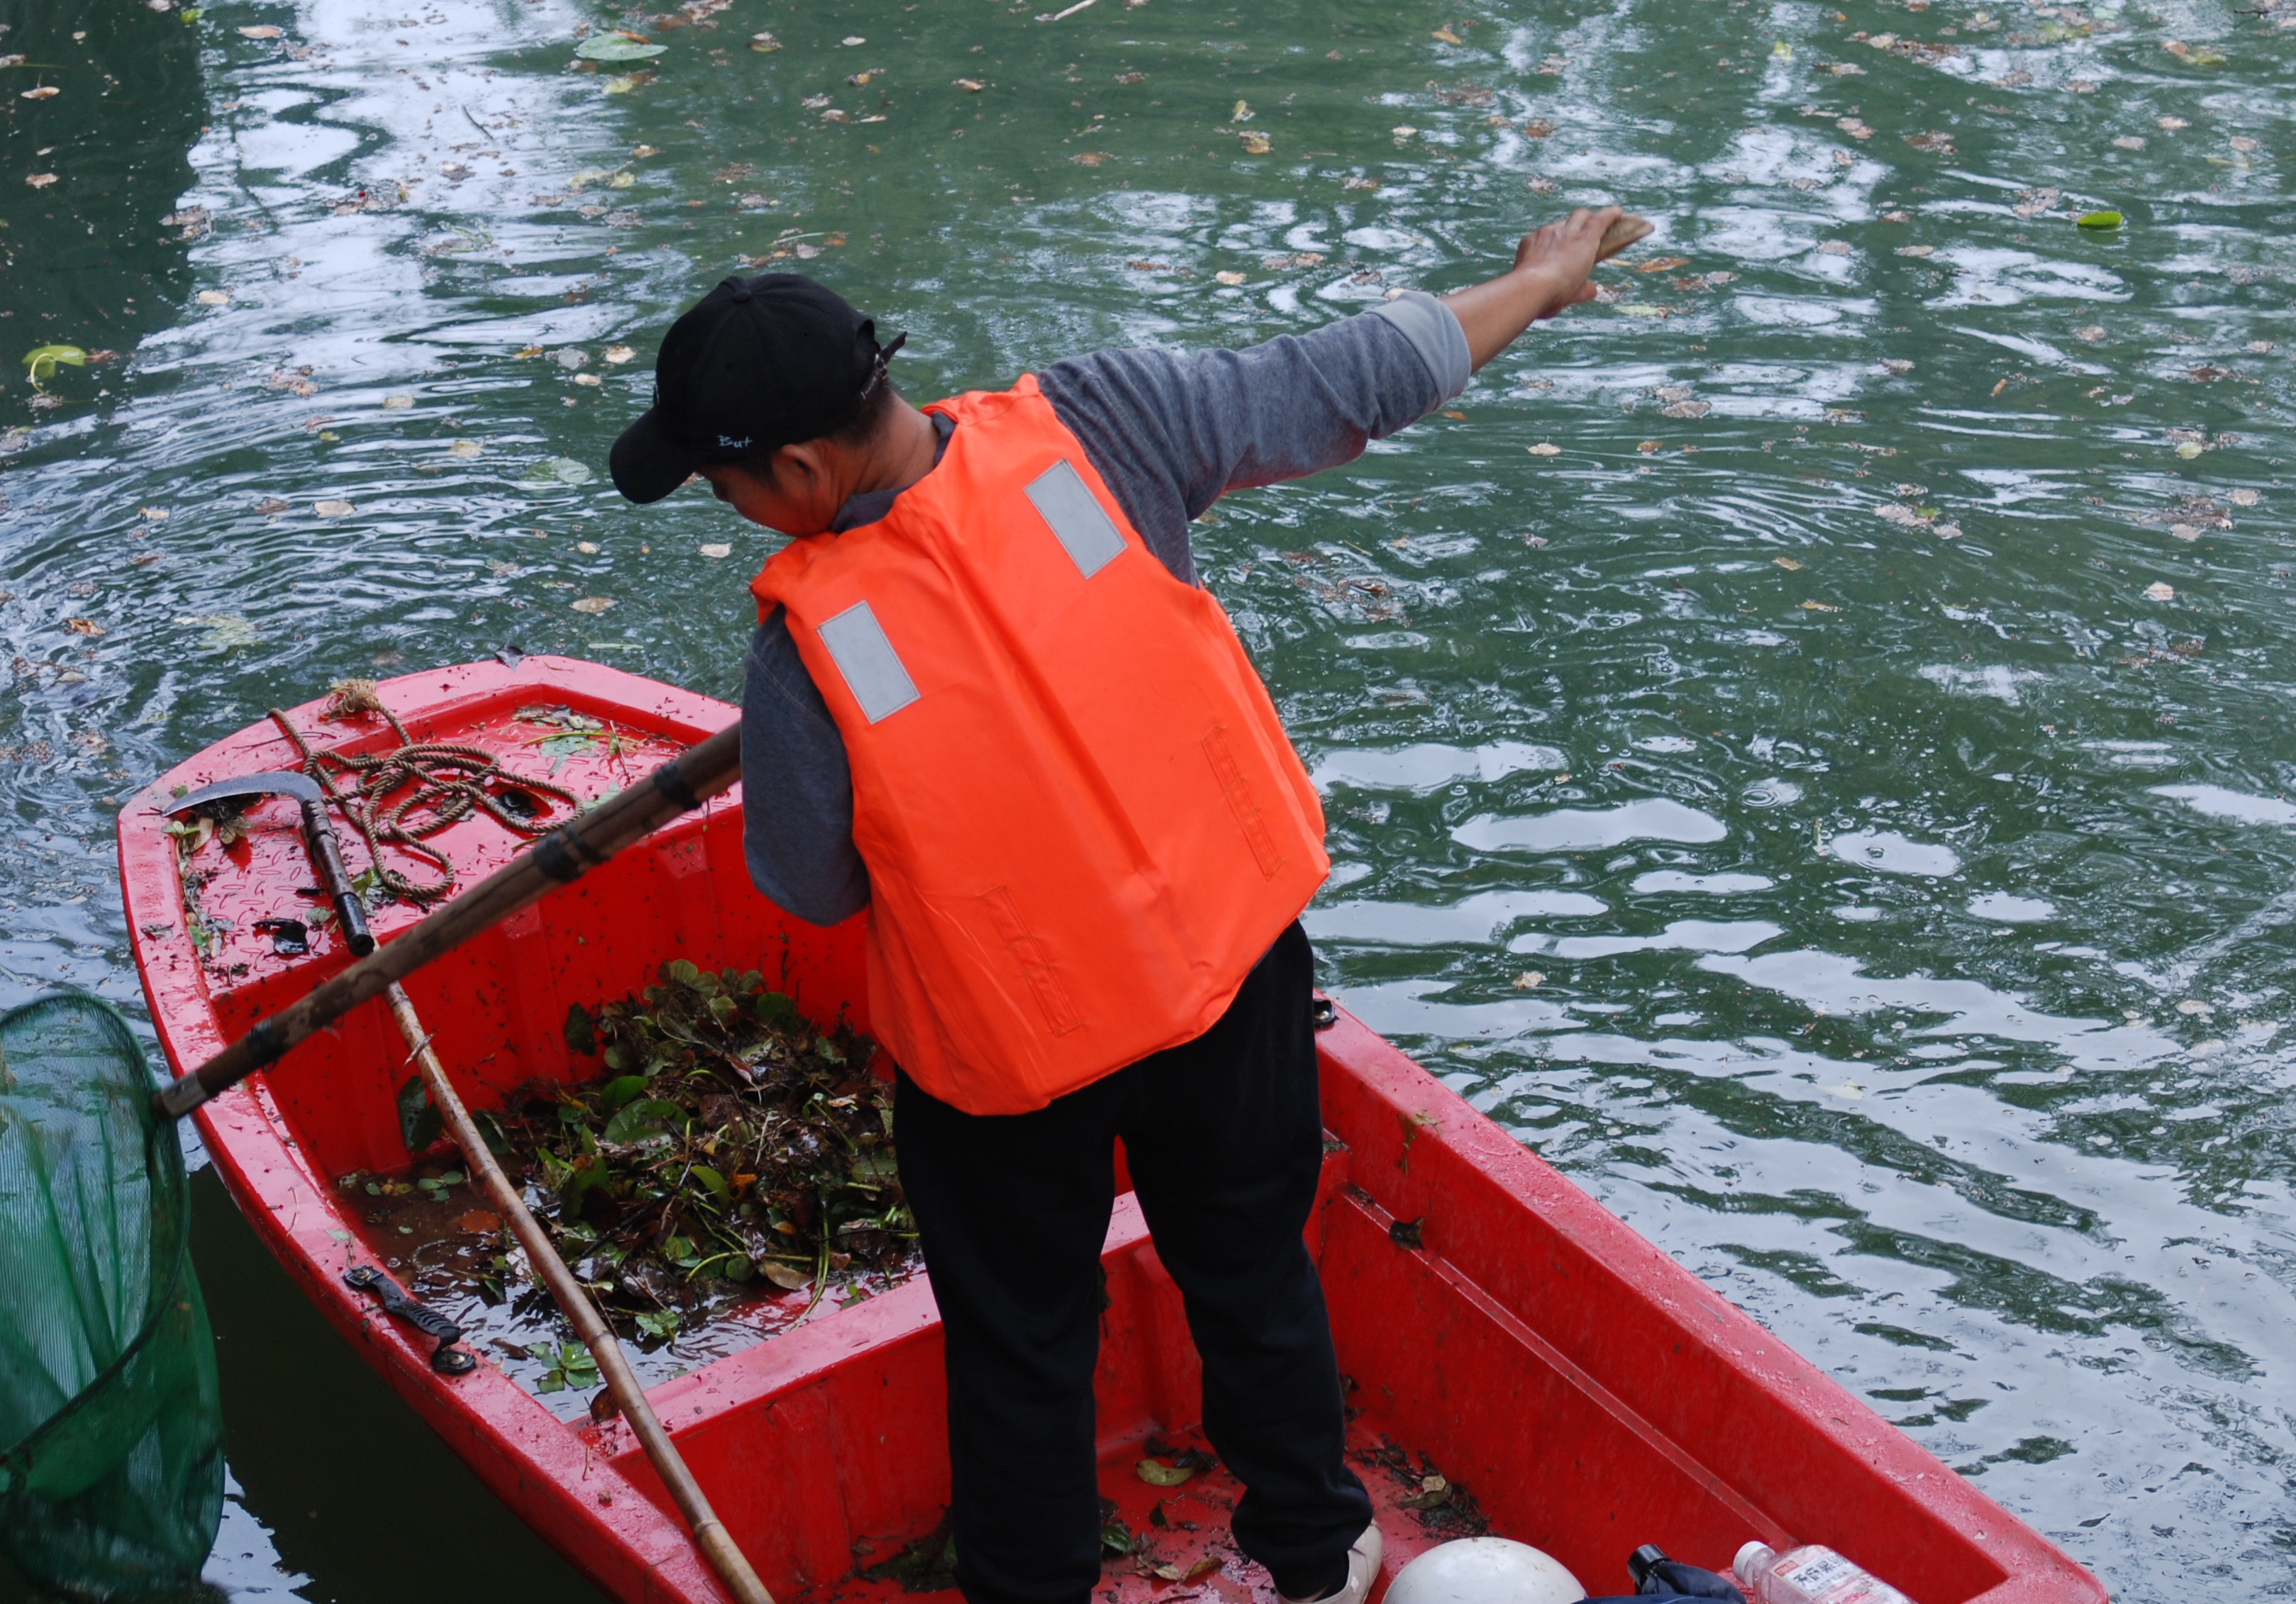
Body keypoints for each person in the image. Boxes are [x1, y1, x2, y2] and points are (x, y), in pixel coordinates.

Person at [609, 208, 1626, 1604]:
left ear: (796, 467)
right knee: (1253, 1273)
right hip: (1228, 981)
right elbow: (1351, 379)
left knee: (1022, 1344)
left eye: (721, 491)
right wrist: (1536, 281)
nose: (725, 517)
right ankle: (1318, 1558)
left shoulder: (805, 650)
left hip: (1008, 1068)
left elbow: (810, 884)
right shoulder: (1105, 421)